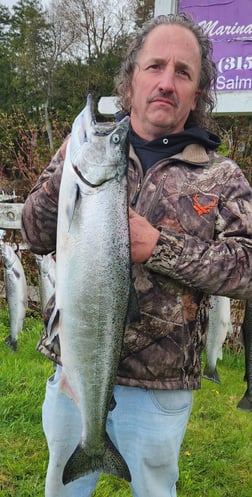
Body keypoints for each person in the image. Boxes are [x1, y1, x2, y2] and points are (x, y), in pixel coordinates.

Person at [21, 13, 252, 497]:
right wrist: (65, 171)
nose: (166, 82)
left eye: (183, 73)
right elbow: (35, 233)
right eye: (155, 66)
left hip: (162, 393)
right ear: (130, 79)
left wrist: (159, 247)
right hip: (75, 371)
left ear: (197, 92)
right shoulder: (89, 149)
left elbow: (248, 266)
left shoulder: (222, 176)